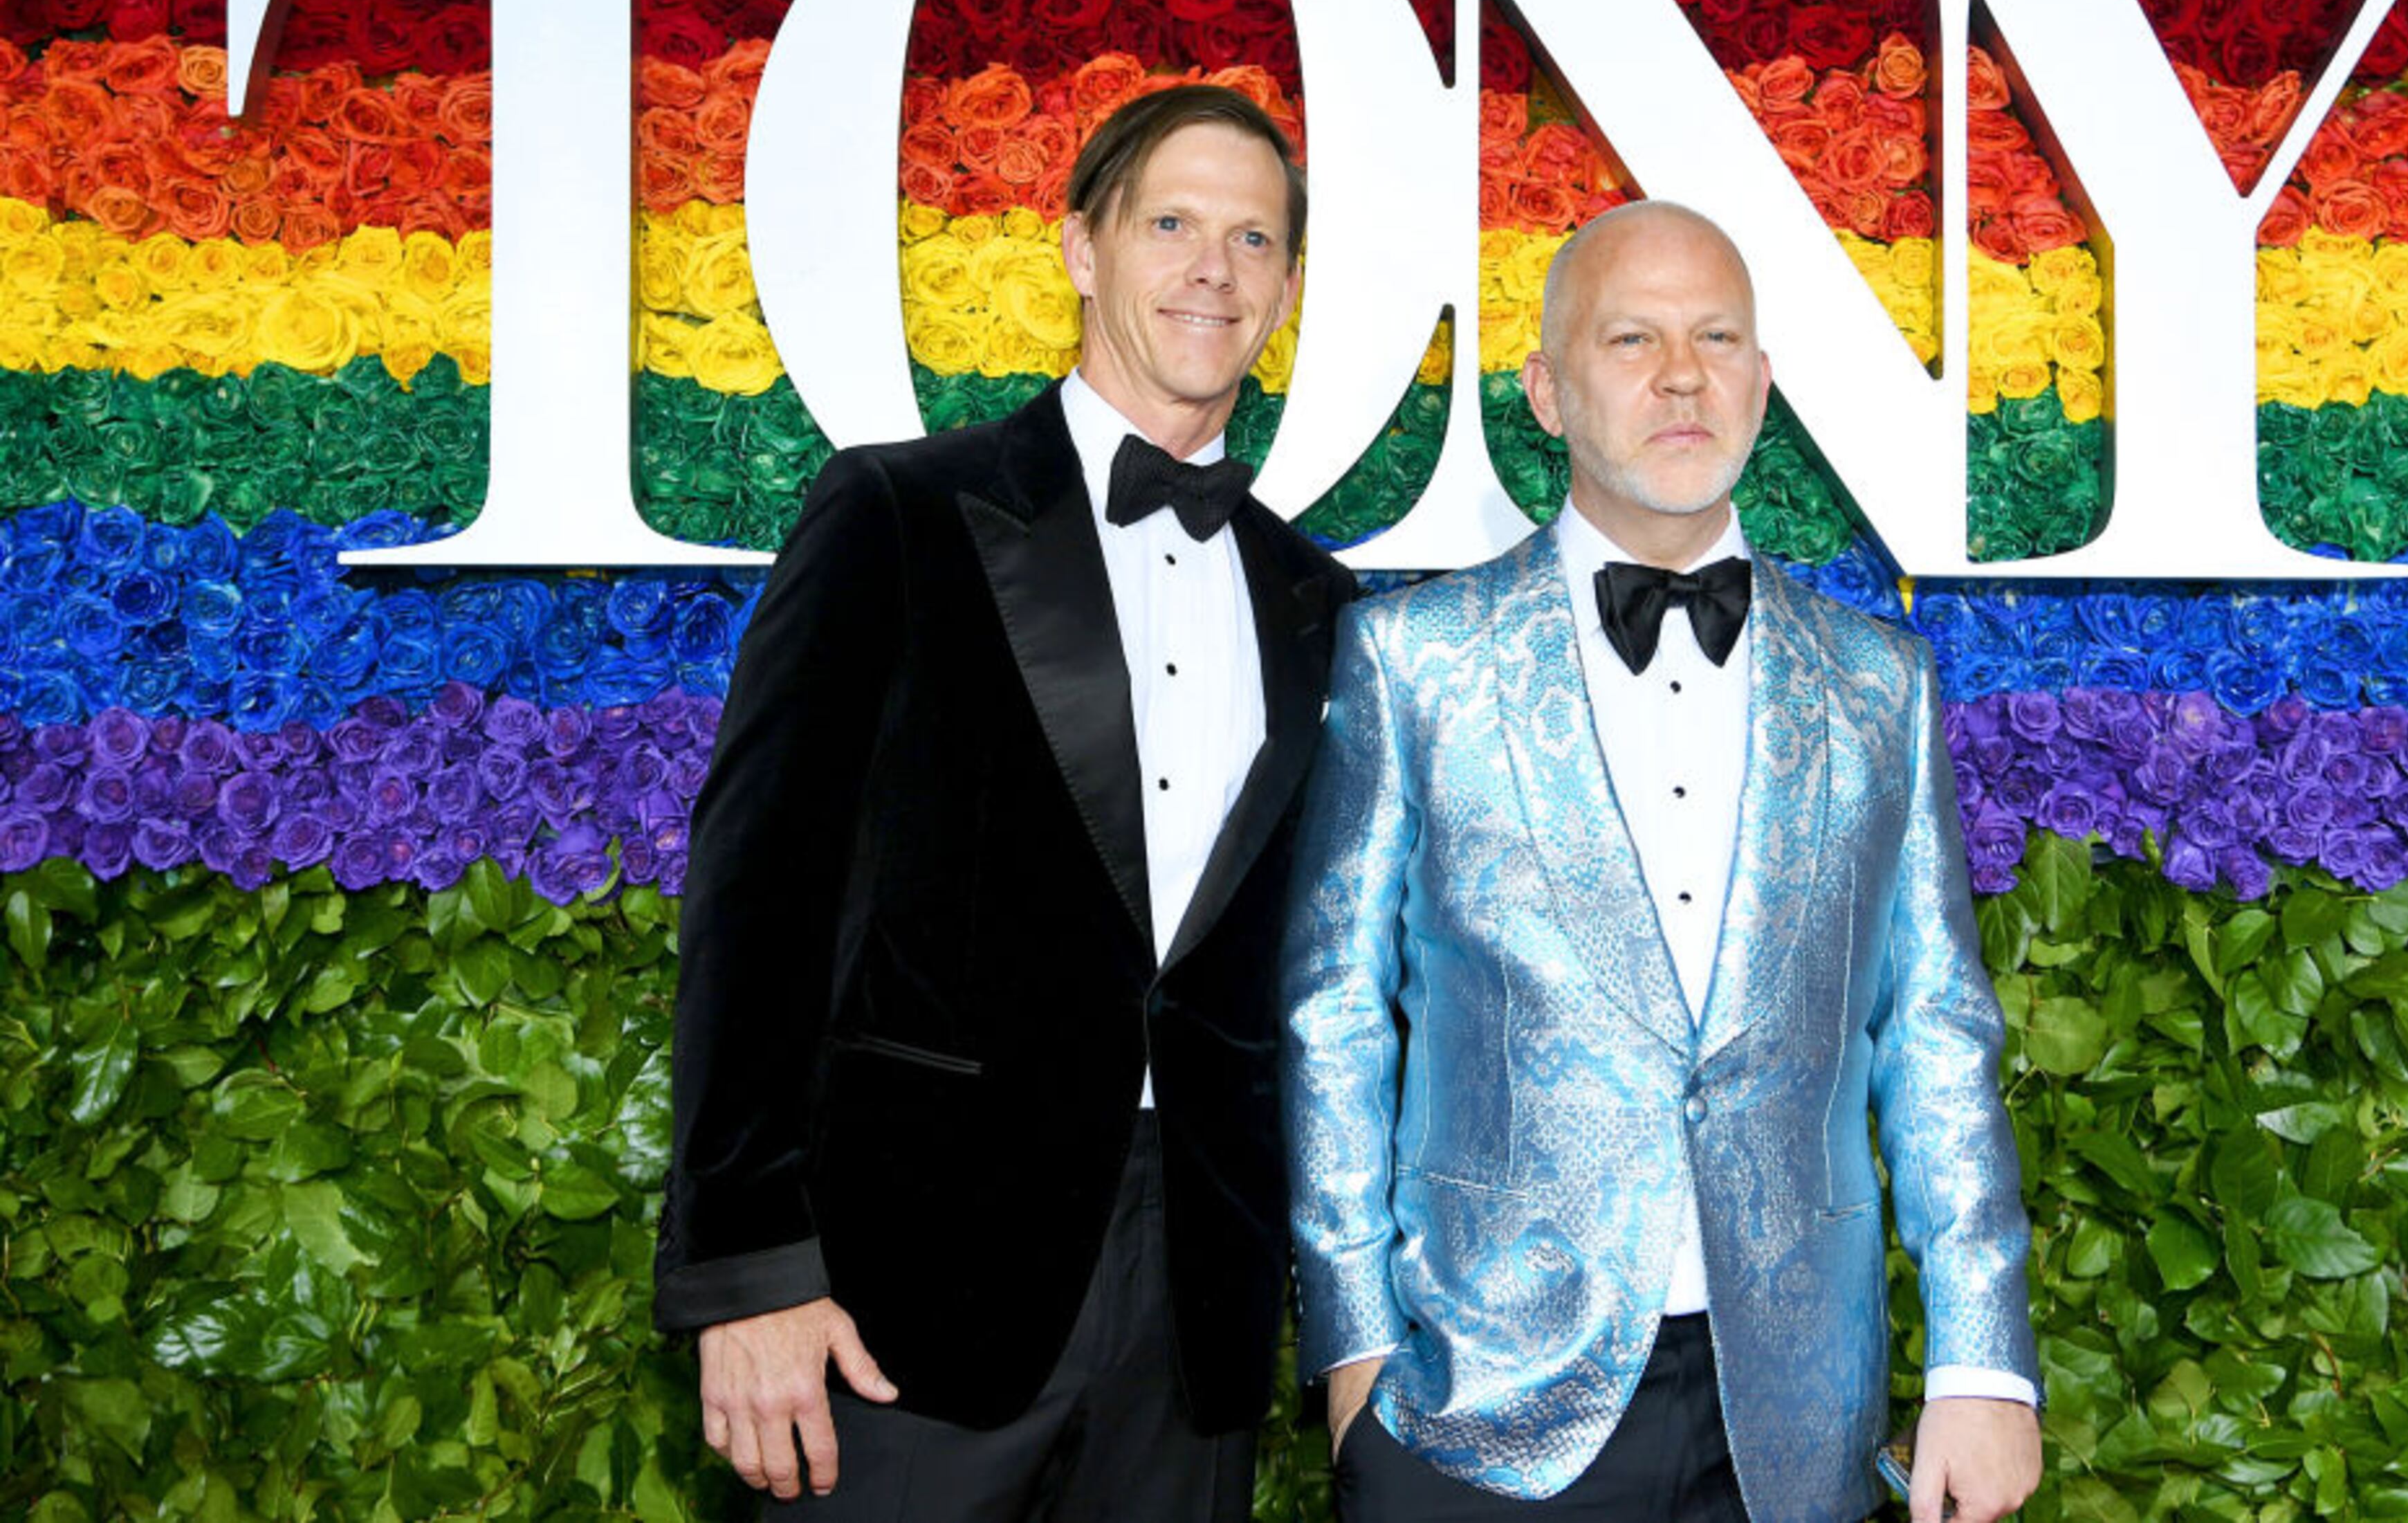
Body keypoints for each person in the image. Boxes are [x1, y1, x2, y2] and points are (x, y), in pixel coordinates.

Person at [1280, 201, 2041, 1523]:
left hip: (1796, 1412)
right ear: (1548, 391)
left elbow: (1933, 1032)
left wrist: (1983, 1359)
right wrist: (1353, 1348)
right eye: (1631, 337)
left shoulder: (1878, 684)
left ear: (1761, 379)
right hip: (1477, 1402)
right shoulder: (1417, 662)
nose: (1682, 373)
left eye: (1717, 336)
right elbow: (1332, 1014)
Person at [656, 84, 1355, 1520]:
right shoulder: (898, 518)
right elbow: (758, 895)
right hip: (901, 1294)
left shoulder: (1319, 604)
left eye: (1252, 238)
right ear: (1081, 247)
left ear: (1286, 287)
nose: (1211, 270)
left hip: (1191, 1308)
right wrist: (745, 1272)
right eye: (1170, 223)